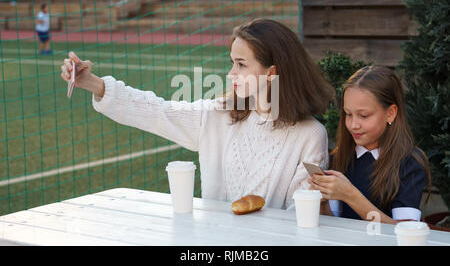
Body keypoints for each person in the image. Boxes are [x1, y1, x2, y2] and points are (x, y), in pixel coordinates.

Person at [60, 18, 335, 210]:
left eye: (241, 64)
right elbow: (157, 111)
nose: (231, 74)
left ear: (271, 73)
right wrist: (94, 84)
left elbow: (301, 213)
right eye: (232, 63)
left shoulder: (310, 135)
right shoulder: (217, 115)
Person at [308, 66, 431, 224]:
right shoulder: (341, 157)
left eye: (363, 116)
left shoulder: (410, 162)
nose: (353, 125)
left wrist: (350, 195)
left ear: (390, 113)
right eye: (348, 114)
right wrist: (322, 202)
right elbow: (335, 224)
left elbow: (406, 231)